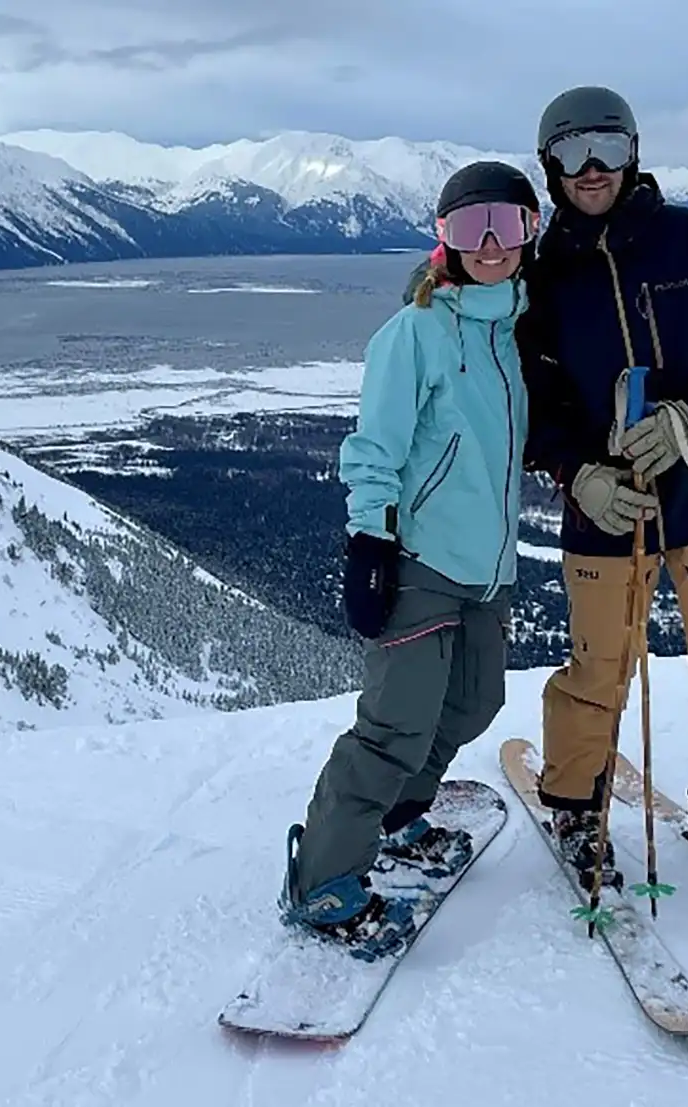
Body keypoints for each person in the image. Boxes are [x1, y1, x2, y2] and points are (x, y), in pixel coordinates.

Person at [516, 85, 688, 895]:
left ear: (633, 150)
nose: (590, 168)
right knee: (598, 666)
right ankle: (575, 802)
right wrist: (578, 473)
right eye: (570, 153)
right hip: (609, 506)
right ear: (550, 168)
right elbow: (532, 401)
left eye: (604, 146)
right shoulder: (544, 278)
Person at [278, 161, 541, 953]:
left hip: (489, 566)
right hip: (421, 559)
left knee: (472, 705)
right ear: (444, 242)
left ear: (532, 234)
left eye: (507, 226)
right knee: (395, 725)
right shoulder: (416, 334)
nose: (490, 246)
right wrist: (370, 540)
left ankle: (399, 815)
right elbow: (375, 447)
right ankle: (324, 879)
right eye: (470, 229)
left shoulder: (522, 334)